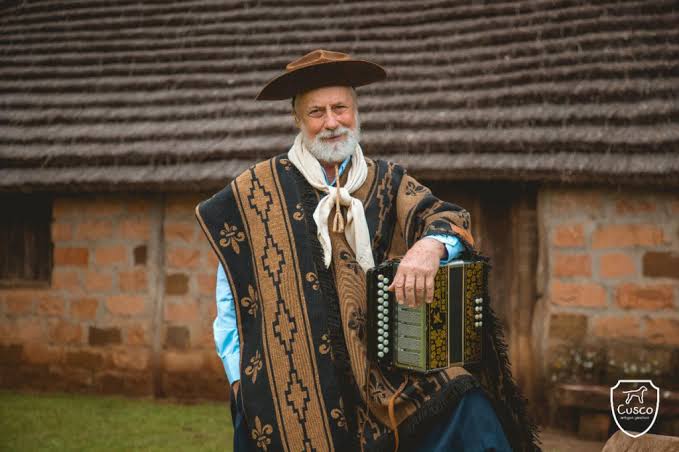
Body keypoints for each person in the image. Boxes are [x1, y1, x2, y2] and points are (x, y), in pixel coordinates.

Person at [196, 50, 538, 451]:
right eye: (316, 112)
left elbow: (444, 217)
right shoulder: (254, 192)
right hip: (293, 380)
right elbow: (230, 292)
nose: (331, 123)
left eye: (340, 108)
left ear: (356, 111)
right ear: (298, 120)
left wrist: (429, 247)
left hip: (383, 374)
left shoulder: (388, 181)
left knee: (468, 400)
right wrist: (238, 376)